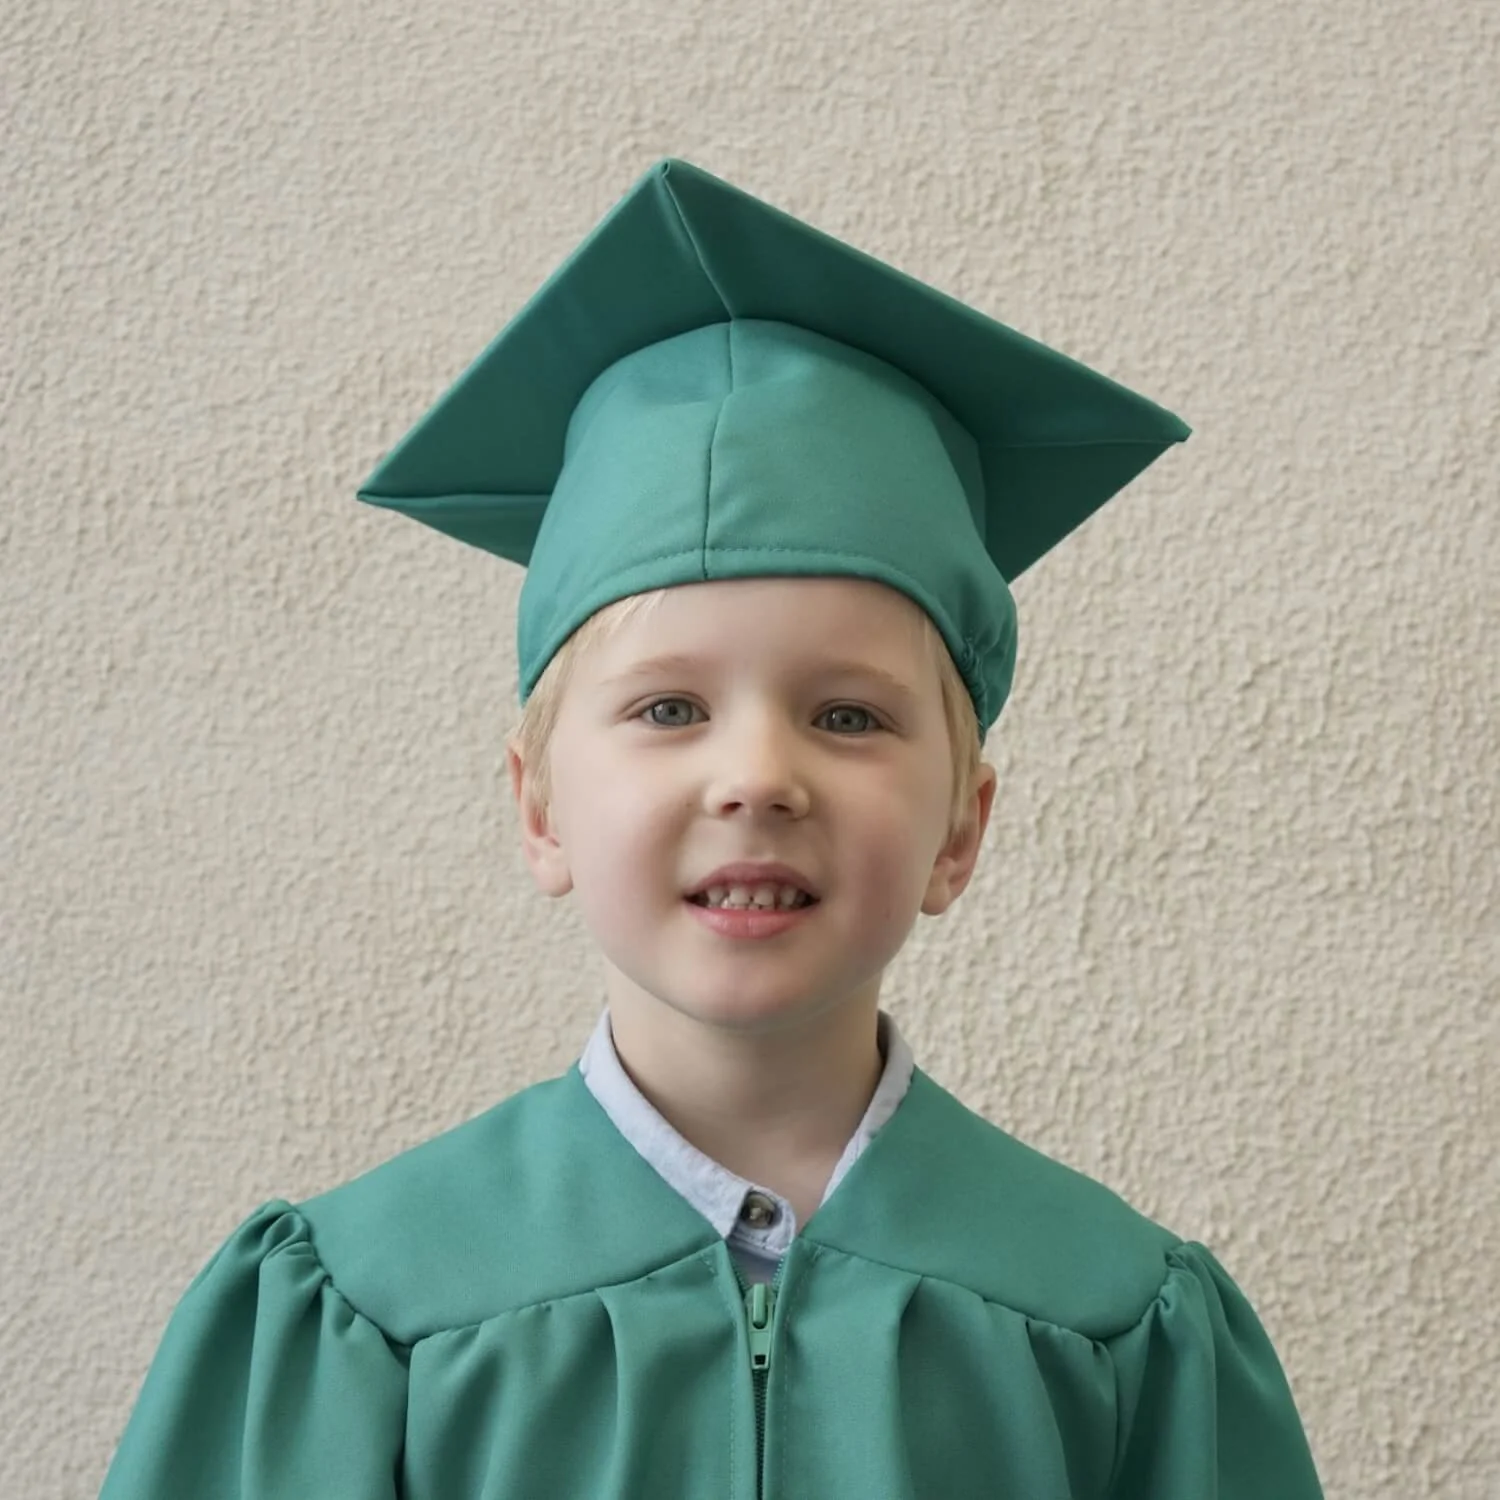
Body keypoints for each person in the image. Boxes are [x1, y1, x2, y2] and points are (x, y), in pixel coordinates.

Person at [98, 158, 1324, 1498]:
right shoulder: (357, 1312)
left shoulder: (1115, 1323)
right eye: (670, 707)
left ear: (960, 832)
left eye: (849, 718)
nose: (757, 778)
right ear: (539, 806)